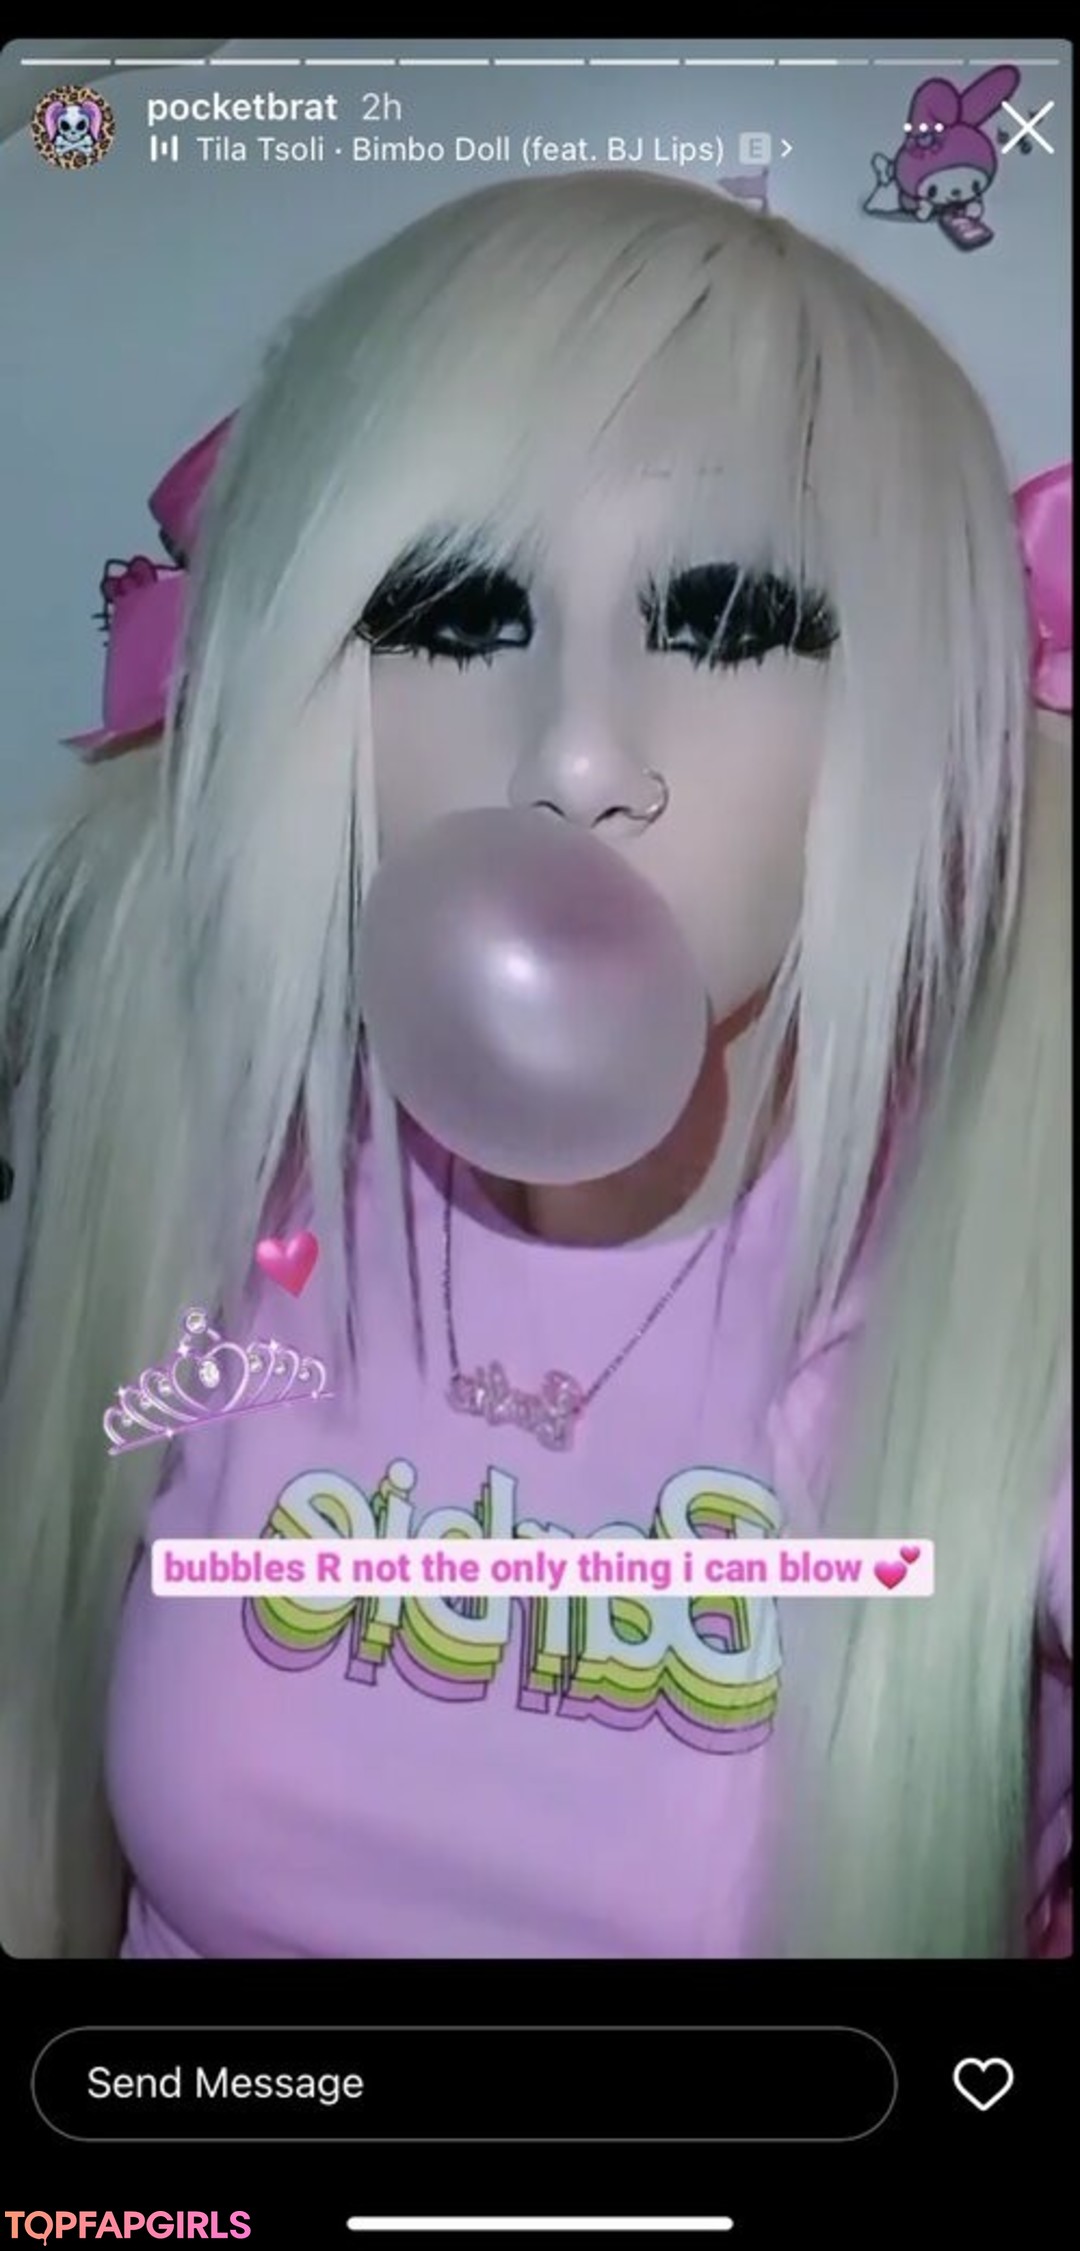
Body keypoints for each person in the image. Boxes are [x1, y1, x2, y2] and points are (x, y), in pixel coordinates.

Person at [0, 171, 1070, 1959]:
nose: (574, 756)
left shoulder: (1011, 1295)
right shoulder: (207, 1162)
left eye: (726, 623)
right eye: (453, 615)